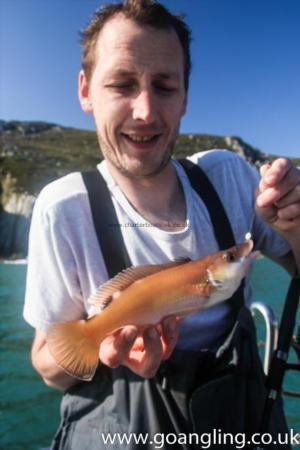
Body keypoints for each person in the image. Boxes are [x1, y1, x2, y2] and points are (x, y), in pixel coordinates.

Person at [24, 0, 300, 448]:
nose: (146, 112)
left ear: (186, 96)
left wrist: (292, 224)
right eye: (122, 84)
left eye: (165, 86)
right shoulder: (61, 208)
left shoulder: (228, 176)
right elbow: (48, 365)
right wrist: (105, 352)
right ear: (85, 90)